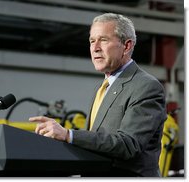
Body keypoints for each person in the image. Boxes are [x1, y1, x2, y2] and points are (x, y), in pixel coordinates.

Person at [29, 13, 167, 177]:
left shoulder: (146, 86)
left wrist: (69, 135)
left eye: (103, 40)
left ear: (127, 46)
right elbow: (97, 143)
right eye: (92, 41)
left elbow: (128, 145)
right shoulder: (102, 87)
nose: (95, 48)